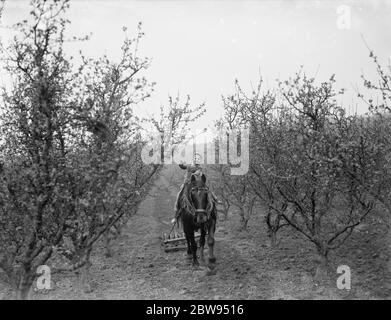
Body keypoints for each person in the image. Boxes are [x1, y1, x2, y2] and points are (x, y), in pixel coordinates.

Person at [172, 153, 204, 225]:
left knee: (203, 195)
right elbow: (183, 166)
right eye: (195, 158)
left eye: (198, 159)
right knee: (178, 197)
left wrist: (195, 174)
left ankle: (205, 212)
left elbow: (198, 173)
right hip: (186, 185)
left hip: (195, 186)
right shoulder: (189, 166)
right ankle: (176, 216)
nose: (196, 159)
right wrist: (180, 163)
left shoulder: (199, 168)